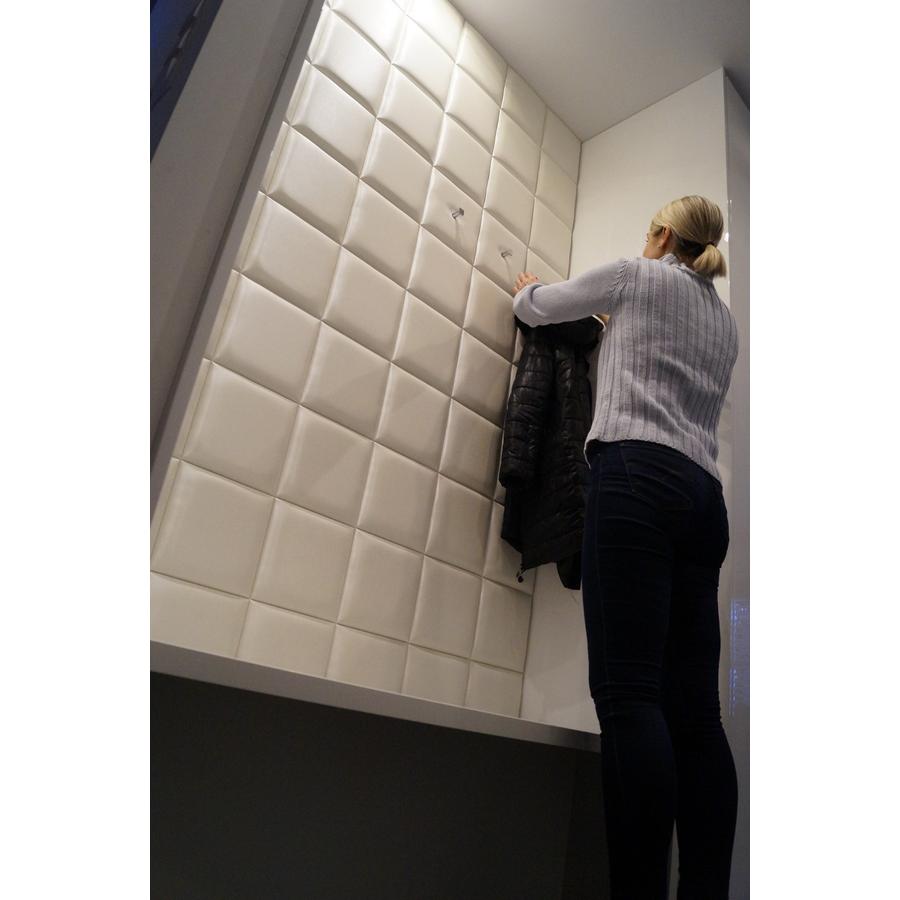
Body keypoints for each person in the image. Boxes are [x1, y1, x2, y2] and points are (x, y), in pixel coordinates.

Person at [512, 195, 740, 900]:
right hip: (704, 501)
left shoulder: (633, 278)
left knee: (630, 696)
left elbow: (537, 308)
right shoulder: (725, 323)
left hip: (637, 477)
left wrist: (525, 288)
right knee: (697, 714)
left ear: (663, 235)